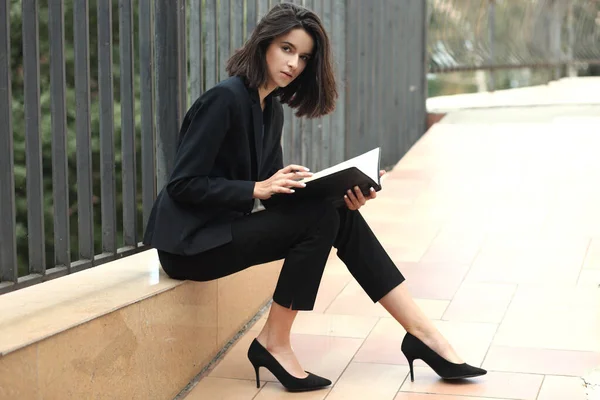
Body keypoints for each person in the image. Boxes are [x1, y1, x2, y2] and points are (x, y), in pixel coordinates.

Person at [143, 3, 486, 392]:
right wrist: (255, 188)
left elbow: (276, 200)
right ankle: (275, 342)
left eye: (304, 57)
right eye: (287, 49)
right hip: (191, 244)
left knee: (334, 213)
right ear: (264, 45)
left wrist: (344, 194)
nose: (294, 63)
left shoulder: (270, 109)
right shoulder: (225, 99)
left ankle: (421, 332)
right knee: (322, 218)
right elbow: (182, 184)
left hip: (223, 230)